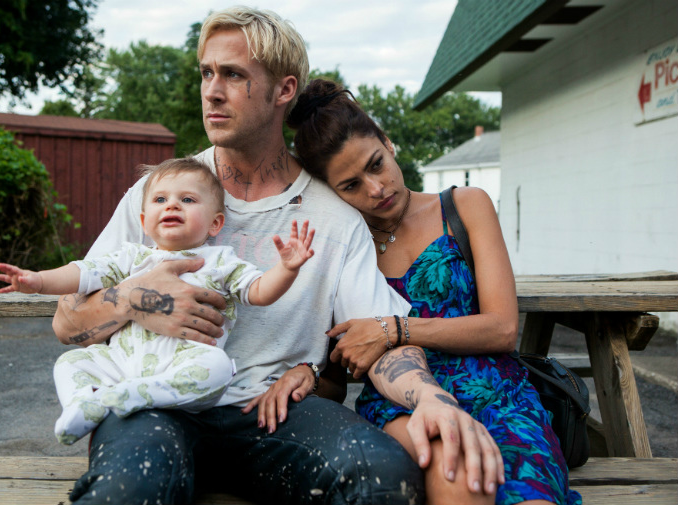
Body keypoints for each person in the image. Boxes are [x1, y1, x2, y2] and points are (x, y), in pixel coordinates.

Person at [50, 7, 502, 505]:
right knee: (127, 487)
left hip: (273, 413)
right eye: (207, 73)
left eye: (234, 75)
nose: (212, 91)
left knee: (382, 475)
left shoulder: (335, 220)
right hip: (154, 403)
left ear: (284, 90)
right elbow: (68, 324)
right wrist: (136, 300)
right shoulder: (159, 195)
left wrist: (433, 399)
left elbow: (382, 338)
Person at [286, 78, 583, 505]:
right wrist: (299, 375)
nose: (376, 189)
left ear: (389, 144)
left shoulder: (465, 206)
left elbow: (501, 329)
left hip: (499, 394)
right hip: (400, 405)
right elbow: (336, 373)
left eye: (375, 164)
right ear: (332, 193)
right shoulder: (344, 247)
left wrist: (394, 329)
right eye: (350, 185)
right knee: (457, 480)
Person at [0, 157, 316, 445]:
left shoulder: (220, 261)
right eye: (161, 199)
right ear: (145, 222)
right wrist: (37, 281)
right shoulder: (132, 258)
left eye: (187, 199)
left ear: (215, 223)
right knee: (70, 363)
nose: (172, 205)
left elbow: (258, 292)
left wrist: (286, 268)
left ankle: (135, 396)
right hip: (120, 364)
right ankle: (82, 404)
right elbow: (83, 274)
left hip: (181, 365)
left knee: (217, 369)